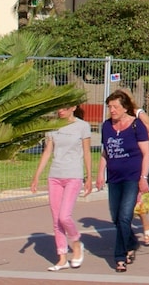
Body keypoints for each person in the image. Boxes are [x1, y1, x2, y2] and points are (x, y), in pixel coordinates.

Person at [30, 103, 92, 271]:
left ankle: (76, 242)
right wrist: (37, 176)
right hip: (55, 176)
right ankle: (62, 257)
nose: (60, 111)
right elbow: (47, 152)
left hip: (73, 175)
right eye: (58, 108)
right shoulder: (52, 126)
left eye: (64, 108)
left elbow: (87, 152)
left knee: (65, 216)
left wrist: (89, 177)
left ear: (73, 107)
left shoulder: (82, 126)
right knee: (57, 219)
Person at [96, 91, 149, 273]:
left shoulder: (137, 125)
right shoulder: (106, 126)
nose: (111, 110)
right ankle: (131, 243)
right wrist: (100, 174)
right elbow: (106, 152)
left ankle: (120, 257)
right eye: (109, 107)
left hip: (131, 178)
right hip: (114, 178)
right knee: (115, 218)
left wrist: (143, 179)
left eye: (115, 107)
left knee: (125, 216)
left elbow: (146, 154)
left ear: (125, 107)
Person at [121, 89, 149, 246]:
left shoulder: (139, 114)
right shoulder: (114, 117)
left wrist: (135, 137)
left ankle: (145, 224)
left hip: (139, 160)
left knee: (137, 199)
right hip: (123, 161)